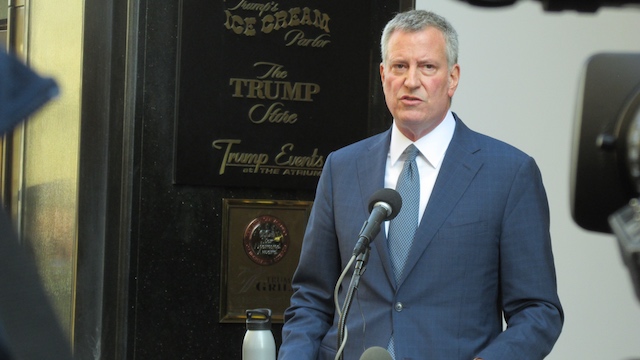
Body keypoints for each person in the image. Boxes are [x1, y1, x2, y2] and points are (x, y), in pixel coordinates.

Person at [278, 9, 563, 360]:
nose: (411, 80)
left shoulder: (508, 173)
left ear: (453, 78)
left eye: (427, 67)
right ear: (383, 76)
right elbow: (312, 297)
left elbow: (538, 311)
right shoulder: (343, 167)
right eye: (400, 66)